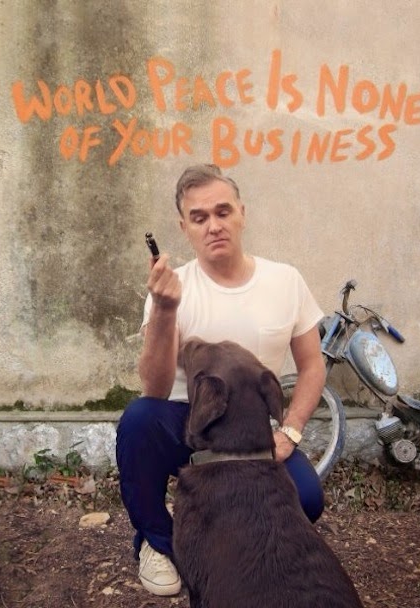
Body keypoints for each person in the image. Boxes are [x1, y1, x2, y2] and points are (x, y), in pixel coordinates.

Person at [116, 163, 326, 596]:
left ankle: (235, 544)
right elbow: (155, 389)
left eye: (222, 212)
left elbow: (312, 366)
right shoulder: (172, 289)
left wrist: (291, 429)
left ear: (241, 213)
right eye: (199, 217)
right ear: (185, 228)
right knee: (138, 420)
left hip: (249, 431)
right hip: (185, 424)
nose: (213, 225)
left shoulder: (285, 281)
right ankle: (157, 541)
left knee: (307, 499)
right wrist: (165, 310)